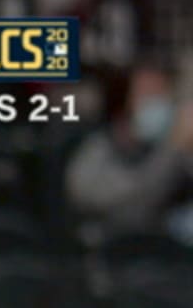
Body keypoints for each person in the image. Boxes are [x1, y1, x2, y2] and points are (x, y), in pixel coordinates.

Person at [65, 61, 191, 238]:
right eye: (148, 94)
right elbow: (132, 205)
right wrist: (173, 149)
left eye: (163, 93)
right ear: (123, 101)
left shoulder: (166, 148)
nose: (158, 102)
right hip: (114, 256)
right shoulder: (97, 152)